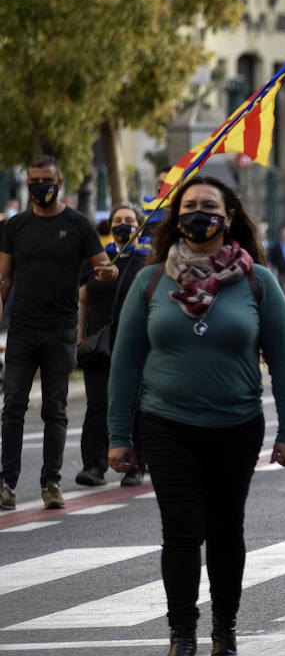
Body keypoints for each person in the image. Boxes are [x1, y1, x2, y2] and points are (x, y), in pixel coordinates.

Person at [106, 175, 285, 656]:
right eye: (189, 206)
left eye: (209, 207)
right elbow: (126, 361)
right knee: (181, 532)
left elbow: (284, 358)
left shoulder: (258, 280)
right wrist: (118, 437)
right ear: (176, 217)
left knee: (225, 531)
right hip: (166, 425)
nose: (199, 214)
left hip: (237, 426)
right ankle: (181, 637)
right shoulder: (152, 281)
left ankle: (225, 632)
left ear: (228, 216)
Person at [0, 156, 115, 511]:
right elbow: (5, 278)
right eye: (33, 179)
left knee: (56, 408)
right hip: (21, 329)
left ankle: (51, 482)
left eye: (45, 179)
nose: (39, 186)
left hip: (61, 331)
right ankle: (7, 482)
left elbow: (101, 265)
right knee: (13, 405)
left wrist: (107, 272)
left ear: (60, 182)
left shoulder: (79, 225)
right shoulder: (15, 226)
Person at [75, 203, 151, 487]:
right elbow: (84, 299)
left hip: (135, 344)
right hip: (99, 343)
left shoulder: (148, 260)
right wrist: (80, 335)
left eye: (129, 220)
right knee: (97, 404)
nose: (123, 224)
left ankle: (136, 465)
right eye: (117, 220)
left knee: (135, 403)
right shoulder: (99, 260)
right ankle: (94, 466)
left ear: (139, 226)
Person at [267, 225, 285, 306]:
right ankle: (284, 305)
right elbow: (271, 258)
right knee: (283, 289)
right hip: (281, 271)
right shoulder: (277, 246)